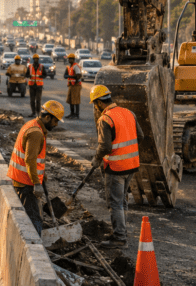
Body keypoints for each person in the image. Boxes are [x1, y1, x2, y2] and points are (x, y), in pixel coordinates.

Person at [89, 85, 144, 248]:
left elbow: (105, 146)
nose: (95, 107)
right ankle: (121, 231)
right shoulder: (129, 113)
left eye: (95, 104)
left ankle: (119, 238)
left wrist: (97, 159)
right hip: (131, 165)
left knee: (115, 203)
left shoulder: (105, 119)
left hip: (116, 167)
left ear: (99, 102)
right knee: (123, 201)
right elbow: (140, 136)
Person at [7, 100, 64, 236]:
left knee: (31, 215)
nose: (56, 125)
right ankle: (36, 244)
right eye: (55, 121)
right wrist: (37, 184)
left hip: (24, 179)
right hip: (26, 183)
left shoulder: (32, 125)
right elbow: (30, 160)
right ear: (47, 117)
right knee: (33, 219)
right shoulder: (36, 133)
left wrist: (42, 176)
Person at [64, 54, 83, 119]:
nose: (70, 60)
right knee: (70, 100)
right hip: (71, 85)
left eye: (71, 59)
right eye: (69, 59)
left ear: (73, 59)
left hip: (76, 85)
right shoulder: (69, 67)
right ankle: (72, 113)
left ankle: (76, 114)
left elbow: (78, 76)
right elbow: (65, 76)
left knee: (76, 100)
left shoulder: (76, 66)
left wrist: (70, 76)